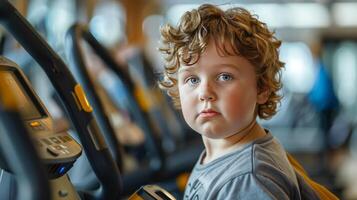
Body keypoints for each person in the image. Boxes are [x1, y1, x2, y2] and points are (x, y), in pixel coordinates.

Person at [158, 4, 339, 200]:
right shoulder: (221, 155)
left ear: (261, 88)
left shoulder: (248, 180)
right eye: (192, 80)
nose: (204, 93)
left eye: (224, 77)